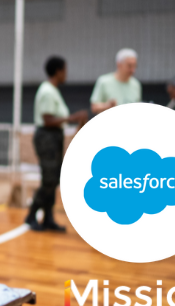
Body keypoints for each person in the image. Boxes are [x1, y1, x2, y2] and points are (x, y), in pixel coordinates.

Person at [26, 56, 88, 232]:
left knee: (54, 178)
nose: (66, 74)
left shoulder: (53, 90)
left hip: (54, 137)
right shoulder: (47, 91)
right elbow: (47, 119)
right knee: (50, 179)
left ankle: (48, 218)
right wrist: (72, 117)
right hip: (47, 137)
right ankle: (31, 214)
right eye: (64, 70)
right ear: (58, 71)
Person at [90, 48, 142, 114]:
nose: (133, 70)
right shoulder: (104, 81)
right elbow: (94, 107)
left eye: (134, 66)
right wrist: (107, 106)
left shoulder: (136, 84)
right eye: (129, 66)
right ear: (119, 65)